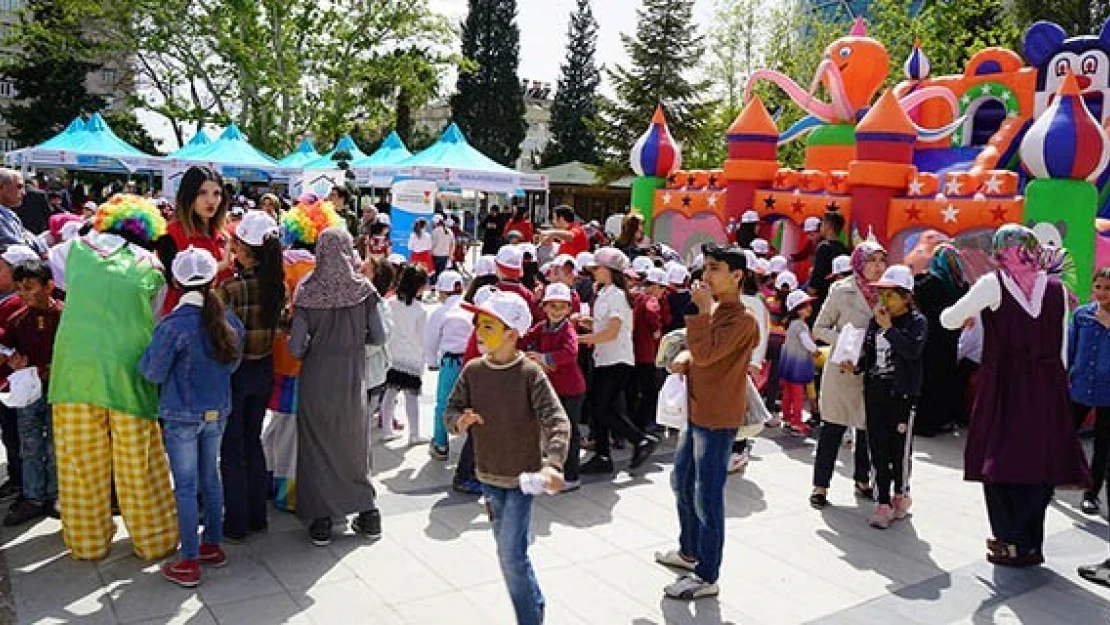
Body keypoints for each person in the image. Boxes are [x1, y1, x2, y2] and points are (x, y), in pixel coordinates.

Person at [940, 224, 1089, 566]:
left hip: (1003, 383)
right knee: (1039, 461)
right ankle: (1031, 544)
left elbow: (949, 319)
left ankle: (1008, 540)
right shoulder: (1056, 288)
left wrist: (970, 315)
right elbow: (1062, 347)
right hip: (1047, 384)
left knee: (998, 458)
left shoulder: (992, 284)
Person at [49, 194, 179, 561]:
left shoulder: (71, 250)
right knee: (137, 462)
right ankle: (154, 541)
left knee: (80, 464)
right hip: (129, 373)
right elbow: (151, 319)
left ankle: (87, 543)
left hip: (74, 371)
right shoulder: (152, 267)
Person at [445, 291, 570, 625]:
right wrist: (459, 422)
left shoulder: (530, 374)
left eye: (488, 325)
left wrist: (553, 463)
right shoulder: (473, 370)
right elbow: (451, 409)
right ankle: (535, 604)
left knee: (510, 556)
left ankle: (530, 618)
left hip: (521, 480)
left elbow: (557, 420)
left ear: (512, 333)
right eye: (478, 325)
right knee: (510, 553)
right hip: (487, 476)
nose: (479, 332)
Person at [654, 243, 759, 600]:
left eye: (715, 268)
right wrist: (685, 355)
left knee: (707, 497)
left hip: (718, 418)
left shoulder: (743, 320)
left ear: (737, 275)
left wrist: (700, 313)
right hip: (696, 411)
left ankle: (707, 573)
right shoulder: (717, 311)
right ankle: (689, 551)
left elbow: (707, 352)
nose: (706, 275)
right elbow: (699, 353)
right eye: (706, 267)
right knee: (681, 482)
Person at [139, 247, 245, 586]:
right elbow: (233, 364)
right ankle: (211, 545)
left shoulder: (172, 325)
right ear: (214, 278)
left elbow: (152, 373)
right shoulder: (229, 321)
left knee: (185, 486)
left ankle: (189, 561)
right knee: (210, 478)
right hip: (218, 410)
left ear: (174, 281)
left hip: (181, 414)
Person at [288, 227, 387, 546]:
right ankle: (367, 514)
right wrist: (355, 340)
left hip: (317, 377)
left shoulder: (307, 289)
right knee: (354, 445)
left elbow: (295, 347)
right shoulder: (364, 289)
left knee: (316, 447)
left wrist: (312, 349)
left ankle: (321, 520)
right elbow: (380, 336)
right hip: (351, 375)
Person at [265, 195, 341, 512]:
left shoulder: (282, 263)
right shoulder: (329, 268)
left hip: (281, 356)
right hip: (317, 362)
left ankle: (271, 481)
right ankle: (288, 492)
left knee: (280, 427)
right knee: (297, 431)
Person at [219, 210, 285, 541]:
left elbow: (215, 328)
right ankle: (257, 516)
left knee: (231, 447)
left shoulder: (231, 286)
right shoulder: (278, 286)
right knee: (253, 442)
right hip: (264, 370)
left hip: (236, 373)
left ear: (245, 251)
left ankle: (235, 523)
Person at [809, 241, 887, 509]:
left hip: (871, 370)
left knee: (866, 429)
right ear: (859, 263)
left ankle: (863, 480)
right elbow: (819, 328)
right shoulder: (841, 290)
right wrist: (845, 341)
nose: (878, 267)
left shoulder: (889, 292)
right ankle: (820, 486)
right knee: (832, 427)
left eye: (881, 260)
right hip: (842, 369)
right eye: (872, 261)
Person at [856, 265, 927, 529]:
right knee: (877, 445)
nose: (884, 302)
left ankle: (901, 493)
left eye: (890, 296)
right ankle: (882, 500)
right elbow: (870, 354)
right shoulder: (876, 321)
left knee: (900, 449)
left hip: (901, 395)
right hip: (875, 392)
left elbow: (911, 351)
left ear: (906, 296)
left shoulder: (917, 322)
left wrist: (890, 329)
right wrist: (857, 363)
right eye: (881, 295)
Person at [578, 247, 658, 474]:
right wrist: (588, 324)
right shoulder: (605, 293)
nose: (593, 271)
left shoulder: (618, 296)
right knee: (599, 407)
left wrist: (579, 339)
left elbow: (612, 332)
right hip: (604, 358)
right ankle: (603, 456)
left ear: (609, 270)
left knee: (603, 409)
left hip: (616, 360)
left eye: (597, 267)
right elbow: (604, 327)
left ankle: (641, 440)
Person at [0, 260, 62, 526]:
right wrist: (11, 359)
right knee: (30, 445)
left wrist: (48, 369)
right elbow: (5, 349)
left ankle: (55, 494)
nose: (23, 294)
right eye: (19, 289)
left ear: (49, 286)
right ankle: (33, 497)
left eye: (29, 288)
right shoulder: (17, 320)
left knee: (56, 443)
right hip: (28, 393)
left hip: (58, 389)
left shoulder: (64, 316)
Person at [522, 282, 586, 492]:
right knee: (551, 429)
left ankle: (571, 475)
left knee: (569, 432)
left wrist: (543, 357)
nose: (557, 311)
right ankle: (553, 469)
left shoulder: (567, 329)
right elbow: (523, 339)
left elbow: (570, 352)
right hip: (552, 388)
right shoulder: (541, 328)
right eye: (552, 306)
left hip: (571, 389)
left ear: (569, 309)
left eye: (562, 306)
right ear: (544, 307)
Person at [157, 166, 233, 315]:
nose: (211, 200)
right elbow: (176, 282)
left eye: (216, 193)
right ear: (189, 195)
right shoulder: (170, 234)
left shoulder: (224, 236)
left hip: (221, 321)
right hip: (183, 323)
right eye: (202, 193)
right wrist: (219, 266)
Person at [912, 243, 970, 436]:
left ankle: (924, 423)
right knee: (945, 376)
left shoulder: (930, 281)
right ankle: (942, 419)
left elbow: (913, 296)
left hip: (929, 337)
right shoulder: (961, 285)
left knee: (928, 378)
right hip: (950, 337)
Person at [1069, 267, 1110, 515]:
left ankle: (1091, 494)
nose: (1103, 293)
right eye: (1099, 287)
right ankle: (1050, 481)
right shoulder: (1082, 315)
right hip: (1081, 387)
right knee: (1064, 434)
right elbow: (1070, 349)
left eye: (1108, 288)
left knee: (1102, 446)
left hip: (1107, 393)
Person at [424, 270, 471, 460]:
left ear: (443, 291)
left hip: (450, 362)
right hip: (470, 361)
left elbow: (430, 341)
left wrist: (432, 362)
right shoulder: (470, 308)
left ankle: (440, 444)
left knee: (444, 403)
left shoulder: (441, 312)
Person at [381, 264, 428, 443]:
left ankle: (386, 430)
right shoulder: (420, 311)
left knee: (390, 393)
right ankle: (414, 434)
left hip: (393, 355)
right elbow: (421, 338)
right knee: (411, 397)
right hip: (411, 358)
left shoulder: (390, 303)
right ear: (418, 287)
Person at [632, 267, 669, 431]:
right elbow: (651, 312)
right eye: (663, 288)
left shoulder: (637, 297)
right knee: (649, 391)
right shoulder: (651, 300)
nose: (664, 292)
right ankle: (642, 424)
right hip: (647, 352)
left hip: (635, 350)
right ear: (655, 286)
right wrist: (656, 329)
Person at [779, 290, 818, 437]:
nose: (809, 308)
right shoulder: (801, 326)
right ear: (797, 309)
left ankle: (787, 418)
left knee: (787, 393)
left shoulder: (791, 324)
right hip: (798, 366)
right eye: (805, 305)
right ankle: (797, 421)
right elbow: (807, 342)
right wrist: (815, 351)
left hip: (788, 365)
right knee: (797, 395)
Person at [807, 211, 851, 318]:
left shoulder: (824, 247)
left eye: (822, 224)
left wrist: (810, 290)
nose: (820, 227)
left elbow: (818, 275)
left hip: (822, 299)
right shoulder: (845, 249)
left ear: (828, 226)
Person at [790, 216, 822, 284]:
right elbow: (804, 254)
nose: (810, 236)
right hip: (813, 271)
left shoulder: (824, 244)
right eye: (808, 233)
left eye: (813, 233)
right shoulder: (810, 243)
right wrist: (792, 258)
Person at [429, 214, 456, 279]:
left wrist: (429, 253)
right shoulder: (449, 231)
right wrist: (451, 255)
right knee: (442, 274)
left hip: (435, 255)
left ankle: (434, 287)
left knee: (434, 274)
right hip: (445, 256)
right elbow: (452, 244)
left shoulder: (435, 231)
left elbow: (432, 244)